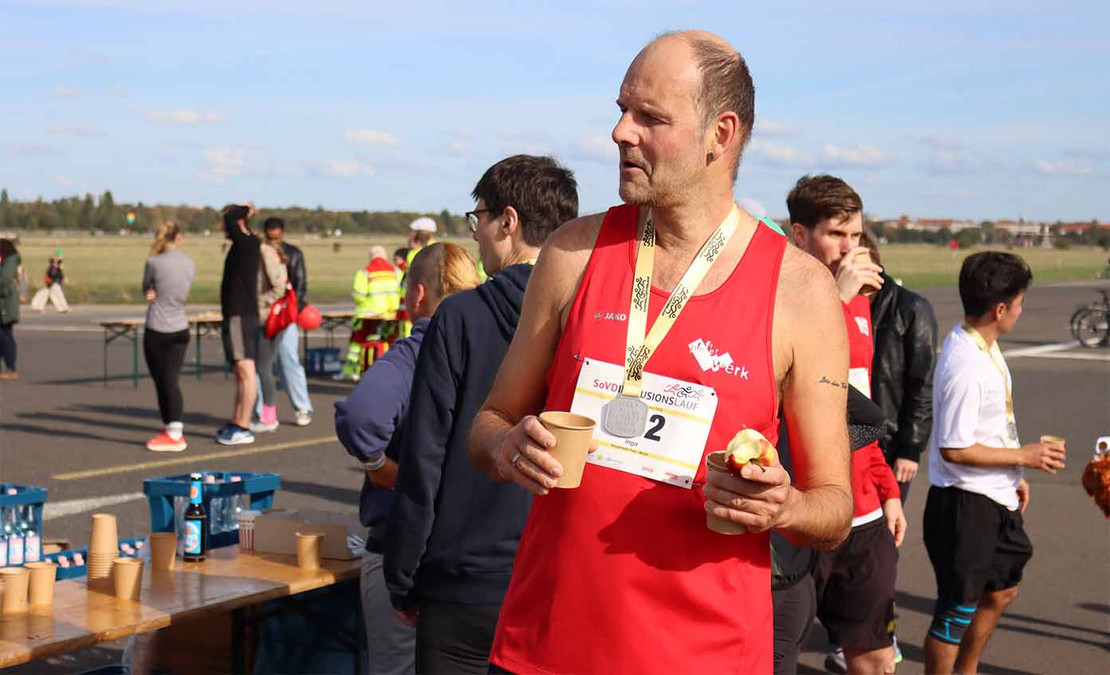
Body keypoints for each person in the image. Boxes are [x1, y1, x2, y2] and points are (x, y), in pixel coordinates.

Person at [467, 32, 854, 674]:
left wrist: (782, 506)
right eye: (621, 110)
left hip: (708, 655)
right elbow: (489, 425)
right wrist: (507, 449)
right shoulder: (572, 252)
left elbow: (833, 508)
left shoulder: (799, 289)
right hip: (545, 649)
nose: (620, 132)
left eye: (650, 117)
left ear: (720, 135)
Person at [384, 155, 579, 674]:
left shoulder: (460, 315)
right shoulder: (596, 319)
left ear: (508, 222)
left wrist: (402, 576)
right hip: (561, 578)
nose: (477, 236)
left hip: (464, 583)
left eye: (480, 220)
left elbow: (424, 454)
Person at [336, 243, 481, 675]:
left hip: (405, 549)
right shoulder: (496, 350)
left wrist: (380, 467)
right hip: (476, 554)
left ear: (418, 295)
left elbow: (361, 416)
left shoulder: (413, 354)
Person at [923, 251, 1065, 675]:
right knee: (954, 613)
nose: (1022, 311)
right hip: (964, 505)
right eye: (1020, 303)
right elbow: (954, 447)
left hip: (993, 493)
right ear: (1000, 308)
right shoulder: (966, 365)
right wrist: (1025, 456)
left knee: (1003, 590)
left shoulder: (983, 344)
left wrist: (1012, 472)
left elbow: (992, 425)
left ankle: (966, 669)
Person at [787, 174, 904, 674]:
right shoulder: (779, 293)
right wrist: (833, 296)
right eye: (836, 234)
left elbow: (858, 405)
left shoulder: (860, 300)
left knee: (877, 657)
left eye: (855, 235)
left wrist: (887, 489)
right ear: (799, 235)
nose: (849, 247)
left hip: (864, 511)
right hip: (802, 510)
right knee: (777, 655)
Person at [860, 229, 938, 502]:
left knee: (883, 527)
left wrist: (911, 448)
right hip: (848, 445)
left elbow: (923, 383)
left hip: (890, 446)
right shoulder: (836, 304)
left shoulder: (911, 309)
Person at [253, 218, 314, 427]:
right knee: (262, 366)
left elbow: (300, 284)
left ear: (283, 233)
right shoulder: (260, 253)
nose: (274, 240)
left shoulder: (294, 253)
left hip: (284, 315)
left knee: (288, 360)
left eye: (277, 236)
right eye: (271, 237)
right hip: (264, 315)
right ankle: (264, 411)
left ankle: (302, 407)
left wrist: (293, 310)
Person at [141, 221, 196, 452]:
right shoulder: (189, 262)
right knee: (170, 380)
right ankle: (171, 429)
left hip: (158, 327)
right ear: (179, 237)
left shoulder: (153, 262)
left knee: (164, 382)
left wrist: (151, 292)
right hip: (180, 327)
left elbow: (147, 288)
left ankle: (174, 432)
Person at [217, 203, 262, 446]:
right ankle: (237, 420)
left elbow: (233, 216)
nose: (223, 227)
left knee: (246, 371)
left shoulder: (246, 242)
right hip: (239, 314)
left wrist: (243, 209)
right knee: (241, 371)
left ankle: (243, 425)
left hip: (241, 315)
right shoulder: (243, 244)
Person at [337, 245, 401, 381]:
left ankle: (355, 369)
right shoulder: (395, 271)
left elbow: (358, 296)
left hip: (369, 314)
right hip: (392, 313)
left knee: (358, 341)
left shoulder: (365, 272)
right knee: (390, 340)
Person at [250, 228, 289, 433]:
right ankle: (266, 414)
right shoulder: (267, 252)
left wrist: (258, 303)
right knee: (263, 366)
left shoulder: (265, 253)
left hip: (269, 317)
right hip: (269, 315)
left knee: (263, 367)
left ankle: (269, 417)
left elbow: (278, 287)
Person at [0, 238, 25, 381]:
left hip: (5, 306)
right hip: (3, 305)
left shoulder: (9, 262)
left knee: (5, 336)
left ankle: (11, 368)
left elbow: (3, 282)